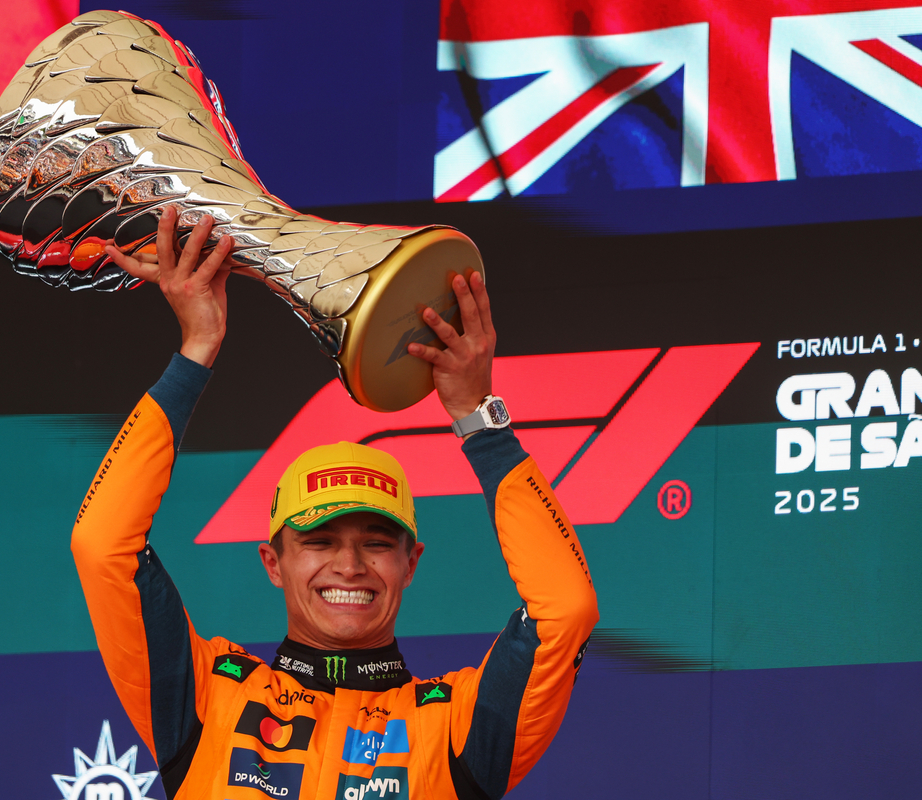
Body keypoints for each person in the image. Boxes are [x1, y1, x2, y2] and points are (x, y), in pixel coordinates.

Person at [71, 208, 598, 800]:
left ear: (411, 563)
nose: (349, 565)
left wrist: (481, 423)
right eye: (319, 541)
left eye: (376, 542)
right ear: (274, 562)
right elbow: (102, 545)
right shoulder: (208, 698)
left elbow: (566, 610)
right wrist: (196, 348)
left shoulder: (453, 726)